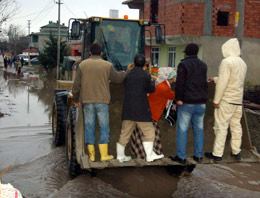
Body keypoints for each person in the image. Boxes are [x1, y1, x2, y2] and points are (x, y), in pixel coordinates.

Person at [72, 43, 126, 162]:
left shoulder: (82, 65)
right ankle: (103, 155)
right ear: (101, 53)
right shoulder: (107, 65)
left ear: (90, 53)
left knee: (89, 127)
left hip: (87, 101)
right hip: (102, 101)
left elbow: (76, 85)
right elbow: (117, 79)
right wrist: (124, 73)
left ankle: (91, 155)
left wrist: (75, 99)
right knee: (104, 127)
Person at [205, 38, 247, 161]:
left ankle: (217, 154)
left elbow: (223, 82)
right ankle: (236, 151)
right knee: (236, 127)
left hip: (226, 100)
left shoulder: (226, 62)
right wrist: (215, 78)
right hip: (238, 101)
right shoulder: (242, 63)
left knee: (221, 127)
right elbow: (234, 80)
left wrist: (216, 101)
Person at [116, 54, 164, 163]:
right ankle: (149, 155)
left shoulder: (127, 75)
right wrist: (153, 82)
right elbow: (150, 90)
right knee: (149, 132)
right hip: (141, 109)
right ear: (144, 64)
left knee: (124, 133)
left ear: (133, 62)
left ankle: (120, 156)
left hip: (128, 109)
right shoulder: (146, 75)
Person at [170, 43, 208, 164]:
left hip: (187, 102)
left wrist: (178, 99)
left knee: (182, 130)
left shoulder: (183, 64)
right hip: (201, 102)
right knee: (199, 129)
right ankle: (198, 156)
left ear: (186, 53)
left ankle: (181, 157)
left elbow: (180, 83)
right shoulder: (203, 65)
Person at [130, 67, 176, 159]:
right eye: (173, 78)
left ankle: (141, 155)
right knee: (153, 135)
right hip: (149, 114)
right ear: (168, 78)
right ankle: (150, 155)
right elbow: (175, 96)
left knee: (141, 135)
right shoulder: (163, 88)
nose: (174, 80)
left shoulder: (158, 83)